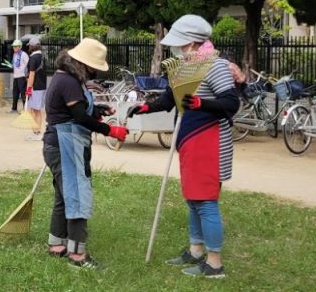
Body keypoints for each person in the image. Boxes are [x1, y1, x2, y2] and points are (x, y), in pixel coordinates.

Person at [128, 14, 240, 279]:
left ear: (191, 43)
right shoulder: (185, 66)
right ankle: (195, 249)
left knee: (206, 202)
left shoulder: (216, 66)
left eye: (180, 43)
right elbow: (170, 99)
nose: (175, 48)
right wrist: (144, 107)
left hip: (209, 143)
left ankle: (214, 264)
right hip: (190, 144)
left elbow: (231, 103)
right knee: (193, 200)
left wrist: (202, 104)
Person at [43, 38, 129, 269]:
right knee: (77, 197)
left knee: (63, 196)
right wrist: (110, 130)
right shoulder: (69, 82)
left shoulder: (64, 77)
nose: (94, 73)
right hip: (65, 145)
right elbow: (79, 117)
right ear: (83, 64)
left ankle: (57, 245)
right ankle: (77, 256)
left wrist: (98, 110)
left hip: (57, 144)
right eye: (93, 68)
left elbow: (77, 111)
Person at [26, 37, 48, 140]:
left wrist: (29, 88)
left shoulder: (33, 58)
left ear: (31, 46)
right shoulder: (42, 57)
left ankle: (37, 132)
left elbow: (32, 75)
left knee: (35, 111)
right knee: (36, 110)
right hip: (42, 86)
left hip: (35, 87)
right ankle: (36, 130)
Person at [10, 40, 29, 114]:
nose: (14, 48)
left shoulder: (24, 54)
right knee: (15, 93)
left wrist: (26, 75)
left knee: (23, 93)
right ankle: (14, 108)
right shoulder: (15, 54)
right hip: (16, 76)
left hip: (22, 76)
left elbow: (28, 65)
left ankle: (25, 109)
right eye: (13, 46)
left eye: (15, 46)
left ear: (20, 47)